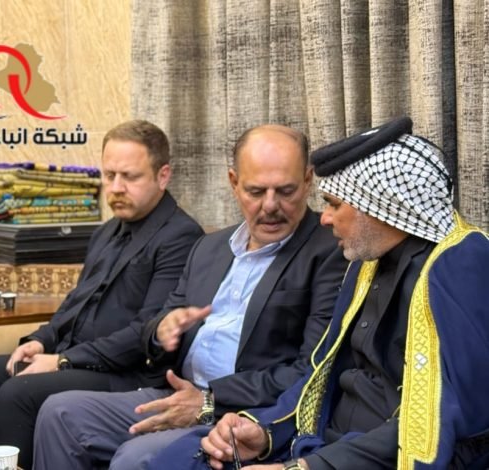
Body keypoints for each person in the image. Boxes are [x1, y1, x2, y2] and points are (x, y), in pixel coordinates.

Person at [149, 117, 489, 469]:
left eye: (334, 204)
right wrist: (264, 431)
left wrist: (309, 467)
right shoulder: (365, 263)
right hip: (321, 443)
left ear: (379, 205)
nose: (324, 219)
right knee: (176, 459)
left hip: (371, 459)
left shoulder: (459, 263)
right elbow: (320, 373)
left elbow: (445, 416)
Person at [31, 124, 349, 470]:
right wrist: (161, 331)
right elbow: (159, 328)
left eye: (285, 191)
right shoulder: (209, 248)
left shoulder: (329, 251)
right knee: (60, 414)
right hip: (177, 392)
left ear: (307, 180)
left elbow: (311, 370)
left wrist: (209, 400)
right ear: (233, 182)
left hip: (243, 414)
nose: (270, 205)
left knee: (136, 458)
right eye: (256, 191)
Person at [0, 120, 204, 469]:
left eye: (129, 177)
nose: (116, 188)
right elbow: (75, 304)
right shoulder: (107, 231)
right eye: (109, 175)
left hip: (126, 373)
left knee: (18, 393)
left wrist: (63, 360)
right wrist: (41, 340)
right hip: (75, 358)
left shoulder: (181, 236)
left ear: (162, 176)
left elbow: (145, 332)